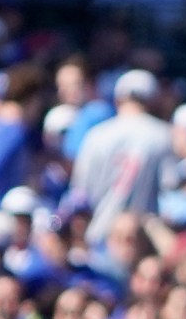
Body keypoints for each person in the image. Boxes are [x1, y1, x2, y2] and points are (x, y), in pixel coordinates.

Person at [70, 69, 175, 236]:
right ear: (153, 100)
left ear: (118, 99)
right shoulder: (163, 134)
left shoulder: (96, 135)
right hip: (142, 238)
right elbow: (170, 189)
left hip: (100, 231)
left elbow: (80, 192)